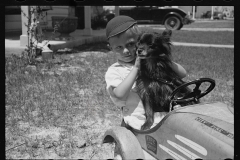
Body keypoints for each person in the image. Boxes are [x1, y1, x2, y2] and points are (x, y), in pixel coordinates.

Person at [105, 16, 187, 130]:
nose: (126, 51)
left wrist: (163, 58)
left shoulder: (151, 62)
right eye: (119, 47)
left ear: (139, 41)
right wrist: (136, 68)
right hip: (136, 121)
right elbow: (119, 94)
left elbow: (183, 73)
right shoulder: (115, 70)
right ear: (111, 48)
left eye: (130, 44)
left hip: (162, 117)